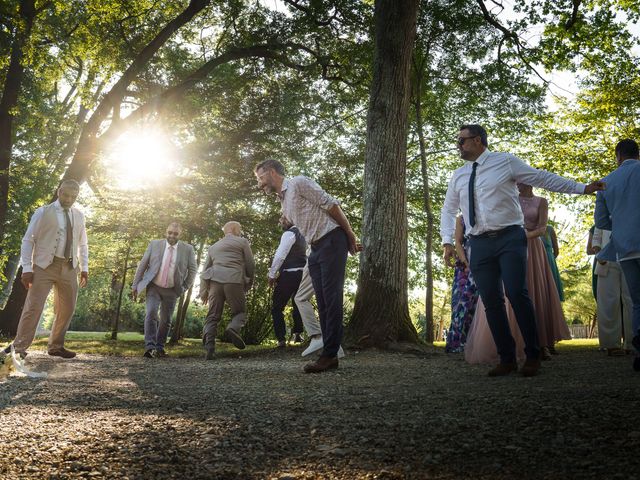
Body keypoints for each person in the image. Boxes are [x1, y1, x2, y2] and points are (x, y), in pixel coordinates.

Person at [440, 124, 604, 377]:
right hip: (479, 243)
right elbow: (449, 210)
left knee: (517, 293)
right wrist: (447, 242)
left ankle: (533, 354)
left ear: (478, 140)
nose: (458, 145)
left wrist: (582, 188)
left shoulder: (505, 162)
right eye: (457, 140)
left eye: (461, 140)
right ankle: (507, 358)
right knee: (491, 302)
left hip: (510, 237)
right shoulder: (459, 175)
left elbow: (541, 177)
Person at [255, 159, 361, 373]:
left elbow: (331, 204)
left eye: (260, 178)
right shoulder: (283, 201)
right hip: (315, 249)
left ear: (272, 172)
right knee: (322, 301)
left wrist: (349, 234)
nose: (259, 184)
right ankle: (331, 350)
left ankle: (329, 355)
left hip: (332, 239)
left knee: (331, 299)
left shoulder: (298, 183)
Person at [3, 179, 88, 359]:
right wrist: (27, 268)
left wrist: (84, 267)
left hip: (70, 266)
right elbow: (28, 240)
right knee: (33, 306)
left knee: (67, 307)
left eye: (73, 196)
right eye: (65, 195)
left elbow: (83, 244)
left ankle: (56, 346)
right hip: (44, 266)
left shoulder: (79, 215)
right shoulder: (42, 212)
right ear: (59, 192)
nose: (68, 199)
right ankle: (19, 347)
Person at [594, 139, 640, 372]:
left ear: (618, 156)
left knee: (637, 301)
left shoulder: (606, 182)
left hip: (626, 249)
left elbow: (602, 223)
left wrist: (622, 223)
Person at [517, 183, 569, 359]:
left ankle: (543, 343)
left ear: (529, 181)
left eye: (520, 180)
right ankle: (518, 342)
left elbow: (541, 228)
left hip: (533, 248)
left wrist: (524, 236)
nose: (516, 183)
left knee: (537, 293)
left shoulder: (541, 201)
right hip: (513, 247)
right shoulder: (510, 200)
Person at [131, 222, 197, 358]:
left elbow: (193, 270)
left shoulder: (188, 249)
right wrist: (135, 285)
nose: (172, 236)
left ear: (180, 234)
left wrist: (184, 287)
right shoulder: (154, 244)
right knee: (151, 313)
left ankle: (160, 348)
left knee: (166, 320)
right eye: (170, 232)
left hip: (172, 289)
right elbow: (143, 264)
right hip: (154, 286)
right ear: (166, 232)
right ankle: (150, 347)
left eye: (175, 233)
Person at [200, 221, 255, 359]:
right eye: (240, 229)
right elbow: (250, 263)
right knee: (240, 312)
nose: (240, 232)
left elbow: (205, 269)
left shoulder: (213, 247)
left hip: (215, 283)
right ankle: (233, 328)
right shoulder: (242, 242)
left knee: (212, 316)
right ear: (234, 229)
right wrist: (249, 281)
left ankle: (210, 348)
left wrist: (204, 291)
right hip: (234, 280)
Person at [592, 226, 633, 356]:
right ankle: (611, 344)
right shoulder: (604, 206)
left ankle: (633, 342)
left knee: (632, 301)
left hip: (630, 256)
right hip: (607, 259)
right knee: (608, 302)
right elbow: (597, 234)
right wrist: (599, 254)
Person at [268, 216, 306, 348]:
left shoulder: (289, 233)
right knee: (299, 303)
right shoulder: (304, 234)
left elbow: (280, 254)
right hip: (303, 274)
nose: (280, 222)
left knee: (277, 307)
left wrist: (272, 274)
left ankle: (281, 339)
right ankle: (298, 334)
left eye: (282, 220)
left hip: (289, 274)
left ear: (289, 219)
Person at [445, 215, 479, 353]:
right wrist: (465, 261)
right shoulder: (461, 219)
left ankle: (475, 342)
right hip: (464, 265)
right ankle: (457, 341)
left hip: (483, 258)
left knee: (476, 302)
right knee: (460, 301)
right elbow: (458, 242)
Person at [541, 224, 565, 302]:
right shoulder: (525, 228)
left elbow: (556, 251)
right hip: (534, 261)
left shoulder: (549, 229)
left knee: (551, 289)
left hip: (549, 262)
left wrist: (549, 260)